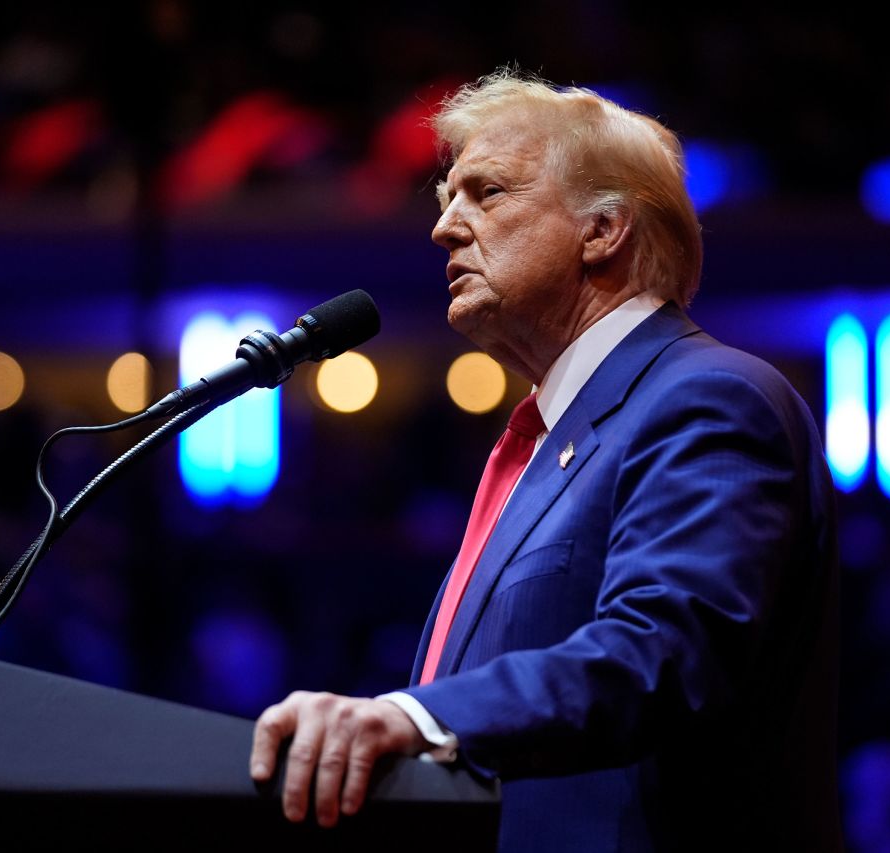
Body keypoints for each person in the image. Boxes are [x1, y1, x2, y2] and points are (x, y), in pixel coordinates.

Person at [251, 69, 841, 852]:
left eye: (485, 193)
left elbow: (659, 654)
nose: (444, 228)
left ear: (603, 229)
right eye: (444, 199)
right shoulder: (554, 435)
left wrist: (418, 716)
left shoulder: (709, 399)